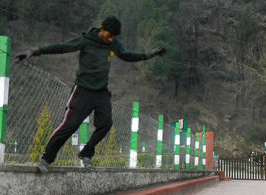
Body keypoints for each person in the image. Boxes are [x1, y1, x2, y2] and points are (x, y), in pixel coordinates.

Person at [15, 16, 166, 173]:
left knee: (106, 123)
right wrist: (35, 51)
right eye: (109, 35)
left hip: (101, 92)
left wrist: (149, 55)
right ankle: (46, 159)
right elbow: (62, 47)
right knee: (70, 125)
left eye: (114, 37)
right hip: (83, 91)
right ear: (102, 29)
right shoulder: (86, 40)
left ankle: (86, 153)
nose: (111, 39)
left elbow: (127, 55)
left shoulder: (113, 44)